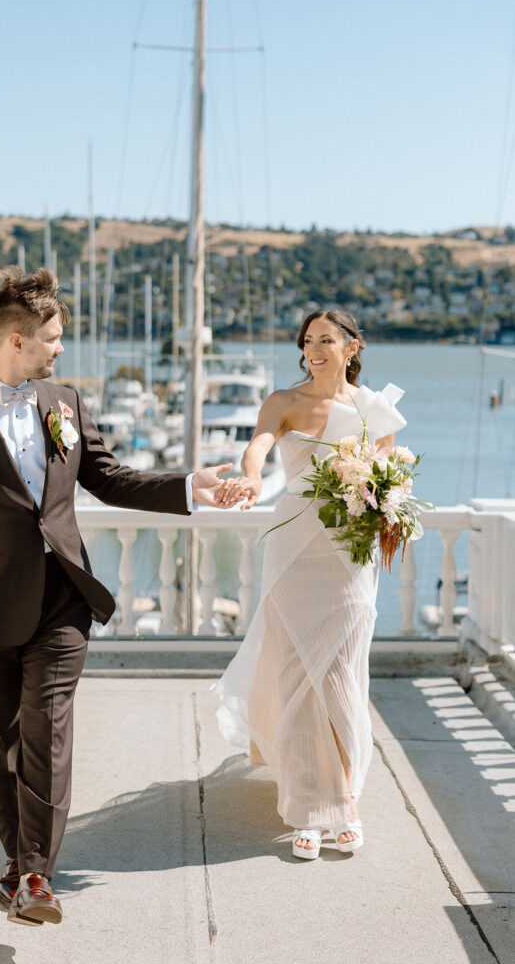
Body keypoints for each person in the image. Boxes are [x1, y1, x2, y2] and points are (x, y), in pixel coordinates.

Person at [0, 266, 241, 926]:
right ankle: (17, 864)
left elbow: (109, 479)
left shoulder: (63, 402)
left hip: (63, 598)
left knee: (48, 736)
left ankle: (34, 874)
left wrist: (188, 487)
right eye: (53, 338)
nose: (61, 349)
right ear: (15, 341)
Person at [213, 310, 407, 859]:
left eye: (326, 339)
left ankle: (344, 799)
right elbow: (258, 445)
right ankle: (306, 808)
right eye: (307, 340)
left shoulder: (375, 409)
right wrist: (250, 477)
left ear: (352, 346)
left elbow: (386, 478)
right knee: (299, 674)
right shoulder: (283, 401)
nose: (314, 348)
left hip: (350, 553)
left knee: (342, 673)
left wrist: (388, 506)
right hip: (294, 547)